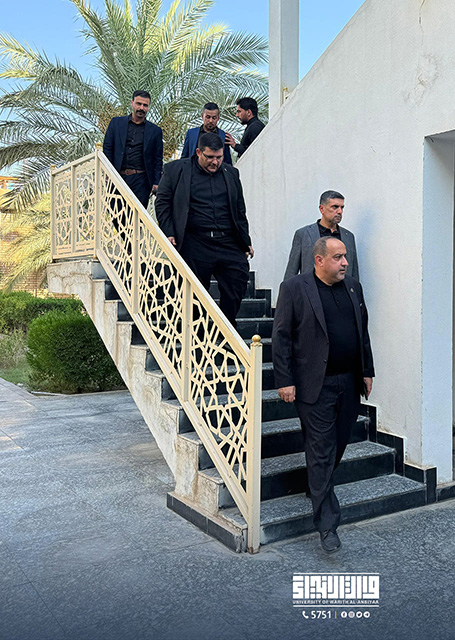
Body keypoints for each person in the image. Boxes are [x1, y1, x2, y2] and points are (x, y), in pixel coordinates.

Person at [272, 236, 375, 554]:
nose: (345, 262)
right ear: (318, 260)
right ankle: (327, 525)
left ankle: (316, 484)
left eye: (345, 256)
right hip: (314, 385)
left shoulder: (353, 287)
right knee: (320, 450)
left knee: (338, 445)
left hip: (349, 382)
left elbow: (362, 331)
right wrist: (284, 380)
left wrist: (367, 370)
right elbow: (281, 336)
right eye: (338, 257)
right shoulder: (294, 288)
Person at [155, 132, 253, 326]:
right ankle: (198, 332)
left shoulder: (231, 173)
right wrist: (169, 232)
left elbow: (239, 210)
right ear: (198, 152)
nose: (215, 162)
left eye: (219, 157)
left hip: (227, 241)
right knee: (194, 292)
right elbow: (162, 203)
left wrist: (246, 241)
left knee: (238, 279)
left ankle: (226, 328)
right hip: (194, 241)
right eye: (210, 157)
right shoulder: (176, 170)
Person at [102, 90, 164, 207]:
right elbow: (107, 148)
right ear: (132, 103)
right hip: (117, 177)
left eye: (145, 105)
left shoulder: (155, 131)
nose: (141, 108)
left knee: (137, 215)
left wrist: (156, 182)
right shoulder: (116, 123)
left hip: (141, 181)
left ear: (148, 107)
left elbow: (157, 158)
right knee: (117, 213)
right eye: (138, 104)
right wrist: (108, 172)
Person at [284, 191, 360, 281]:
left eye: (342, 207)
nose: (340, 211)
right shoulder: (304, 234)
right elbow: (291, 272)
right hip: (312, 288)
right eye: (335, 207)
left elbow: (354, 273)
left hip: (341, 288)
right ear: (322, 209)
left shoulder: (348, 237)